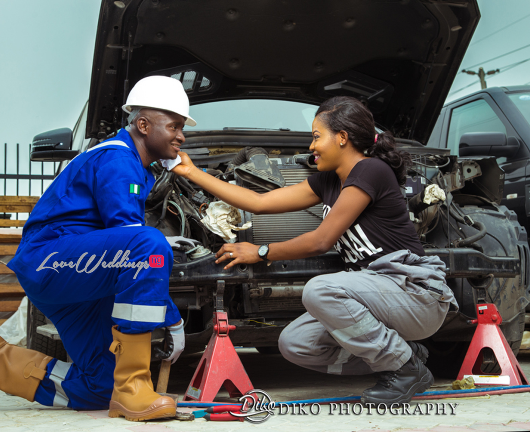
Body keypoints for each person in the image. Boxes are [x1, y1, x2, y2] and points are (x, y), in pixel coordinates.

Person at [172, 96, 458, 406]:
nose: (311, 146)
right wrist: (192, 173)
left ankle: (404, 369)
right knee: (295, 344)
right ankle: (404, 357)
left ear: (343, 138)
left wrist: (261, 251)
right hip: (377, 296)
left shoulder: (370, 171)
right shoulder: (327, 182)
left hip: (416, 294)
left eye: (317, 136)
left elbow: (322, 240)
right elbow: (260, 203)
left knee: (320, 290)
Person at [0, 76, 194, 421]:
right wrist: (173, 319)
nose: (182, 136)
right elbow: (132, 240)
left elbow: (122, 249)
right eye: (175, 126)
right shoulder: (117, 159)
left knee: (99, 389)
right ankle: (133, 386)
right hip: (52, 261)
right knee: (148, 243)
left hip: (80, 276)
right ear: (143, 124)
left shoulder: (134, 166)